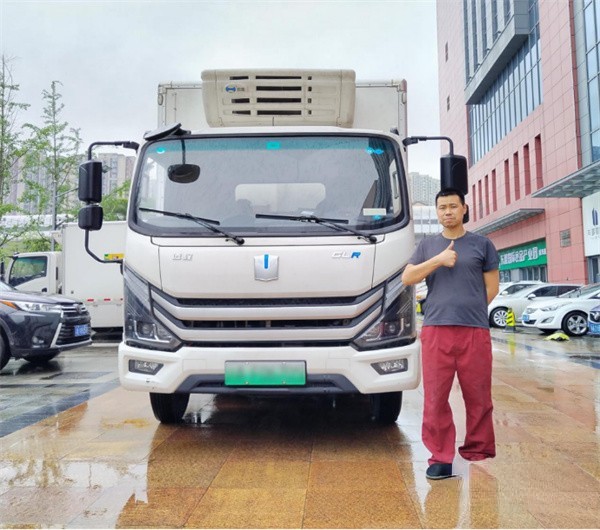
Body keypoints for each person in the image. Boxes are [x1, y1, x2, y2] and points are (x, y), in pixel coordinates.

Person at [402, 188, 500, 480]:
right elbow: (408, 277)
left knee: (478, 394)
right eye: (442, 207)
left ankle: (477, 449)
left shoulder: (482, 245)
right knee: (435, 397)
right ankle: (440, 457)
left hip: (474, 330)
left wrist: (469, 310)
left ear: (464, 209)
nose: (447, 212)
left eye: (453, 206)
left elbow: (492, 288)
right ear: (437, 212)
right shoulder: (428, 246)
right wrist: (439, 260)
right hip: (436, 329)